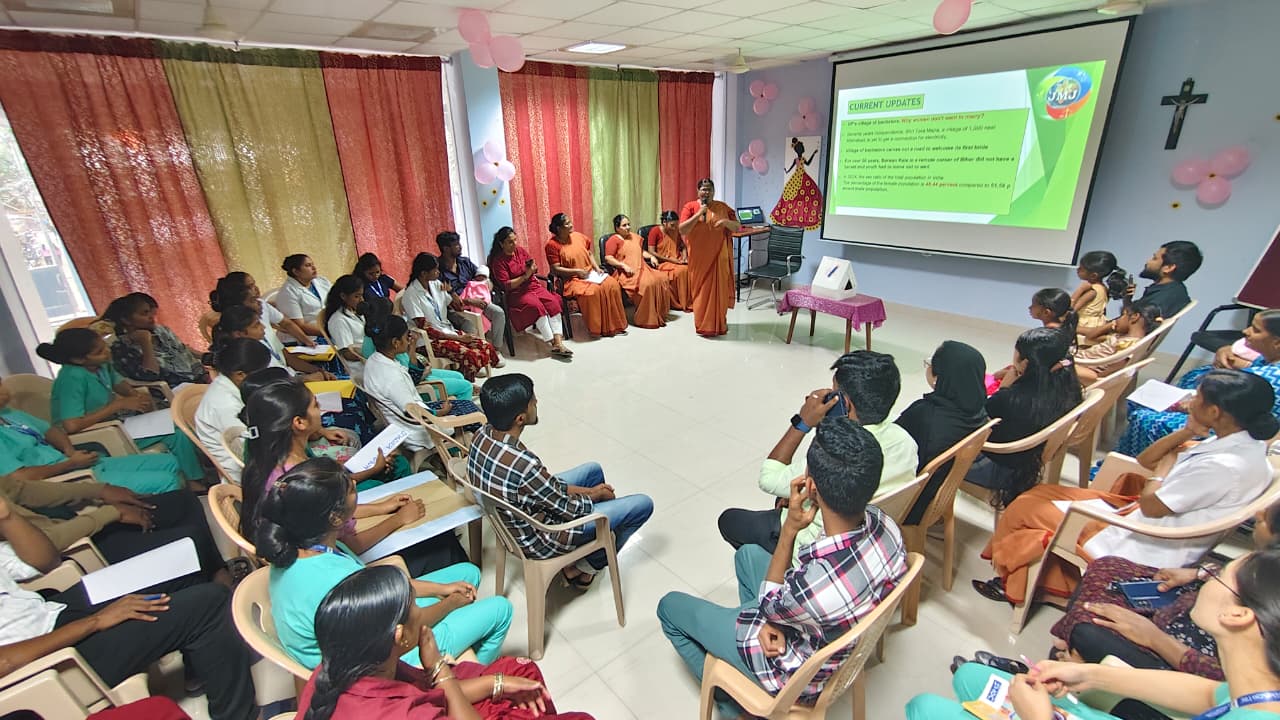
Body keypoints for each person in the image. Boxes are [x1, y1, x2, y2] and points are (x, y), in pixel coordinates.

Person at [659, 417, 909, 719]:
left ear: (811, 485)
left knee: (669, 607)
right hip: (832, 636)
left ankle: (734, 705)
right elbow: (780, 603)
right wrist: (774, 620)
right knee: (748, 555)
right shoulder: (887, 525)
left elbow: (772, 602)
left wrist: (789, 528)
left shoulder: (812, 587)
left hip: (796, 672)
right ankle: (752, 644)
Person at [974, 369, 1276, 607]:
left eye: (1197, 398)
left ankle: (1016, 581)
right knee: (1043, 493)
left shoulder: (1224, 466)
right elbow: (1146, 460)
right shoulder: (1242, 445)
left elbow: (1152, 506)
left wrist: (1163, 470)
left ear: (1215, 412)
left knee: (1025, 506)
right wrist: (1186, 431)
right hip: (1142, 518)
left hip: (1144, 538)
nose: (1190, 401)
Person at [906, 546, 1280, 720]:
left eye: (1216, 575)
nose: (1203, 580)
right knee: (972, 678)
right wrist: (1090, 675)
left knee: (924, 708)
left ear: (1238, 615)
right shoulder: (1257, 691)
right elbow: (1209, 695)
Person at [0, 495, 256, 720]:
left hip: (51, 611)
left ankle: (202, 666)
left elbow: (46, 560)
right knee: (210, 603)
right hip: (44, 658)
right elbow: (5, 661)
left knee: (183, 557)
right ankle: (237, 715)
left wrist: (7, 515)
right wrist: (94, 621)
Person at [257, 458, 512, 669]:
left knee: (467, 573)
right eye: (351, 490)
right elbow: (407, 632)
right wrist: (450, 603)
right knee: (500, 610)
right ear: (335, 517)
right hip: (383, 661)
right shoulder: (336, 578)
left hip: (365, 631)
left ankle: (460, 643)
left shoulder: (303, 545)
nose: (355, 485)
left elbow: (381, 587)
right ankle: (467, 677)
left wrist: (441, 589)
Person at [297, 565, 593, 720]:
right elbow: (430, 695)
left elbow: (426, 693)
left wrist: (497, 683)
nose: (421, 612)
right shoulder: (400, 713)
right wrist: (438, 666)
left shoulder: (337, 669)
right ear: (401, 636)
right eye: (416, 606)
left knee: (521, 673)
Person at [718, 351, 919, 565]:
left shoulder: (836, 453)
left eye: (833, 392)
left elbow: (768, 479)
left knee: (729, 520)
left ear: (844, 404)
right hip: (868, 535)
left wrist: (803, 421)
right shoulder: (906, 442)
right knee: (782, 498)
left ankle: (776, 568)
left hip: (812, 543)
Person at [468, 374, 653, 589]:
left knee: (593, 471)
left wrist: (591, 492)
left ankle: (593, 545)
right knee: (642, 505)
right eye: (532, 401)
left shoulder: (482, 433)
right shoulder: (524, 464)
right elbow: (568, 509)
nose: (537, 402)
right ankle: (585, 568)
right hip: (540, 538)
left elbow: (546, 487)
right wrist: (597, 496)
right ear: (520, 418)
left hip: (511, 517)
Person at [38, 329, 206, 484]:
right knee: (175, 430)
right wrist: (117, 405)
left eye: (105, 346)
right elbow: (71, 425)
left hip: (115, 424)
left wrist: (137, 398)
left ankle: (196, 479)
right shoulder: (72, 378)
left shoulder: (101, 365)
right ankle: (194, 481)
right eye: (99, 352)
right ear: (78, 360)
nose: (107, 352)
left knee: (178, 428)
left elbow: (119, 384)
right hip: (90, 437)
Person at [1114, 308, 1280, 456]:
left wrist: (1183, 405)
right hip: (1215, 410)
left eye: (1256, 330)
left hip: (1226, 429)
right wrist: (1225, 350)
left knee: (1145, 417)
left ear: (1277, 343)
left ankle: (1133, 466)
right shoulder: (1267, 360)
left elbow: (1220, 412)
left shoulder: (1264, 378)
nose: (1246, 331)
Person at [0, 375, 181, 495]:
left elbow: (50, 431)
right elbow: (19, 478)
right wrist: (70, 464)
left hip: (71, 464)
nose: (4, 390)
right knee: (167, 481)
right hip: (59, 481)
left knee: (170, 462)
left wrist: (70, 451)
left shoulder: (9, 413)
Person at [965, 327, 1083, 509]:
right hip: (1030, 461)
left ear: (1026, 363)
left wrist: (1004, 388)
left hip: (1000, 468)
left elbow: (980, 416)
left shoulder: (1012, 398)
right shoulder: (1066, 388)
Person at [894, 341, 989, 524]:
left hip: (911, 503)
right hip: (939, 492)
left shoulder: (924, 414)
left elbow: (888, 446)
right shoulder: (979, 412)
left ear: (940, 376)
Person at [363, 315, 463, 455]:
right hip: (418, 430)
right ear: (396, 342)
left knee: (461, 404)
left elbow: (409, 377)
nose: (409, 340)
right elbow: (413, 414)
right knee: (473, 414)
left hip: (408, 419)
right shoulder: (392, 378)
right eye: (406, 337)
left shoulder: (375, 361)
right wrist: (441, 412)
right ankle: (457, 454)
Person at [401, 253, 503, 381]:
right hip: (428, 341)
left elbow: (458, 307)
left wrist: (451, 292)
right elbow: (428, 330)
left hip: (447, 331)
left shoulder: (436, 284)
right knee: (471, 356)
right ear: (424, 273)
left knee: (486, 347)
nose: (438, 272)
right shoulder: (411, 294)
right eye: (435, 270)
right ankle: (465, 384)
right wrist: (459, 338)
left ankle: (463, 378)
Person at [359, 298, 475, 401]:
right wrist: (423, 370)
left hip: (414, 377)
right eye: (394, 312)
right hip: (418, 386)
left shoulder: (375, 338)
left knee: (458, 376)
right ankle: (463, 414)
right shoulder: (389, 346)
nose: (398, 314)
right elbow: (409, 376)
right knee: (466, 387)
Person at [488, 227, 572, 358]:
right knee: (536, 307)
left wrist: (533, 268)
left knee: (553, 302)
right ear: (501, 244)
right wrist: (525, 276)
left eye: (515, 240)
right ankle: (553, 342)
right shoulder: (498, 261)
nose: (514, 244)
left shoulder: (520, 251)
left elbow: (533, 267)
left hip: (533, 286)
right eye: (510, 242)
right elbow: (506, 285)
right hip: (516, 293)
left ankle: (558, 342)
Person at [544, 213, 628, 338]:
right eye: (567, 223)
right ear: (559, 228)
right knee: (593, 292)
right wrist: (576, 272)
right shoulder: (552, 245)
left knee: (612, 285)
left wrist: (597, 268)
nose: (571, 225)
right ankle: (597, 329)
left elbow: (589, 253)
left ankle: (616, 326)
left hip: (590, 274)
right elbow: (555, 269)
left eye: (570, 222)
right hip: (571, 280)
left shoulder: (578, 236)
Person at [101, 292, 208, 386]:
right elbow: (151, 376)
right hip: (172, 390)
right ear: (126, 320)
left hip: (197, 383)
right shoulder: (121, 346)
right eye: (144, 313)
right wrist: (145, 343)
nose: (151, 317)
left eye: (150, 312)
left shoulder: (162, 331)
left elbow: (185, 354)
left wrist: (205, 375)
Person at [679, 178, 739, 337]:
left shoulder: (722, 207)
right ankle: (703, 325)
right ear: (698, 191)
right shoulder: (690, 207)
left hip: (719, 256)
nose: (706, 192)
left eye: (709, 189)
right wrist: (699, 213)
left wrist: (725, 222)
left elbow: (737, 227)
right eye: (703, 189)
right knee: (700, 290)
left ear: (714, 191)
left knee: (719, 290)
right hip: (699, 258)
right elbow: (682, 230)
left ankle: (719, 323)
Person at [212, 303, 333, 382]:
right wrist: (306, 379)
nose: (264, 327)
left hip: (293, 379)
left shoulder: (260, 340)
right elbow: (269, 385)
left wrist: (317, 371)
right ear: (239, 334)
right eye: (256, 325)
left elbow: (287, 358)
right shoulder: (244, 357)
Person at [438, 231, 507, 352]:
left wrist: (486, 286)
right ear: (446, 248)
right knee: (469, 325)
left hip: (477, 300)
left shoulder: (465, 262)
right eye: (456, 244)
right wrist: (469, 301)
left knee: (498, 313)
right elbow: (443, 299)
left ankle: (496, 349)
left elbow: (482, 278)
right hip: (456, 307)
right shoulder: (438, 270)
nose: (460, 246)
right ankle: (477, 352)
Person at [605, 214, 673, 329]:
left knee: (662, 278)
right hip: (626, 272)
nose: (628, 227)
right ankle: (646, 318)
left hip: (642, 267)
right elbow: (608, 258)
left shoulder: (634, 237)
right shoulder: (613, 240)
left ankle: (658, 314)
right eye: (624, 225)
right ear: (617, 228)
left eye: (628, 224)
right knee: (647, 284)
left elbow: (641, 252)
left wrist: (651, 257)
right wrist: (623, 265)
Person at [1074, 301, 1163, 383]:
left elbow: (1110, 371)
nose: (1117, 319)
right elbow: (1091, 336)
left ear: (1135, 317)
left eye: (1123, 315)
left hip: (1078, 365)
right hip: (1078, 359)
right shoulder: (1124, 338)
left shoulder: (1128, 345)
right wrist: (1110, 326)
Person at [1127, 240, 1202, 319]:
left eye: (1154, 258)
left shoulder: (1160, 301)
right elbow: (1131, 317)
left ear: (1168, 268)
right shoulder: (1173, 292)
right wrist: (1127, 299)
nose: (1148, 262)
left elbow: (1131, 322)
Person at [1072, 251, 1130, 346]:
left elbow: (1071, 310)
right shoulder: (1104, 288)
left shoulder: (1092, 291)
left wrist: (1080, 290)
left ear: (1093, 275)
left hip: (1083, 327)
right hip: (1097, 324)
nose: (1077, 269)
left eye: (1081, 268)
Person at [276, 254, 333, 343]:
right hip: (304, 340)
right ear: (296, 271)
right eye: (308, 265)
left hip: (326, 332)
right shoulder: (287, 293)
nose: (314, 268)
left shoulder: (322, 281)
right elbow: (300, 326)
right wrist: (331, 332)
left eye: (313, 264)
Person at [769, 137, 823, 230]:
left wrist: (813, 154)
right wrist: (787, 171)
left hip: (801, 176)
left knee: (805, 196)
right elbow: (795, 166)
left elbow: (807, 163)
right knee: (791, 196)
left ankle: (801, 217)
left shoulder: (800, 159)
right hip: (798, 177)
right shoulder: (797, 159)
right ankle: (791, 217)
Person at [324, 274, 369, 384]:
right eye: (357, 296)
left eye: (362, 295)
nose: (361, 300)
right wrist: (370, 356)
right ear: (343, 296)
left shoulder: (355, 312)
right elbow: (347, 353)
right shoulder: (339, 320)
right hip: (359, 367)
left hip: (367, 357)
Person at [645, 210, 691, 311]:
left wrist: (684, 257)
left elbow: (682, 246)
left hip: (677, 260)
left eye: (676, 225)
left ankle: (686, 300)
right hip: (662, 262)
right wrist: (672, 260)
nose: (675, 228)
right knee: (680, 271)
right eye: (672, 225)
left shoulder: (675, 230)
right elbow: (651, 251)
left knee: (689, 268)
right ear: (664, 222)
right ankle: (676, 303)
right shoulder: (655, 231)